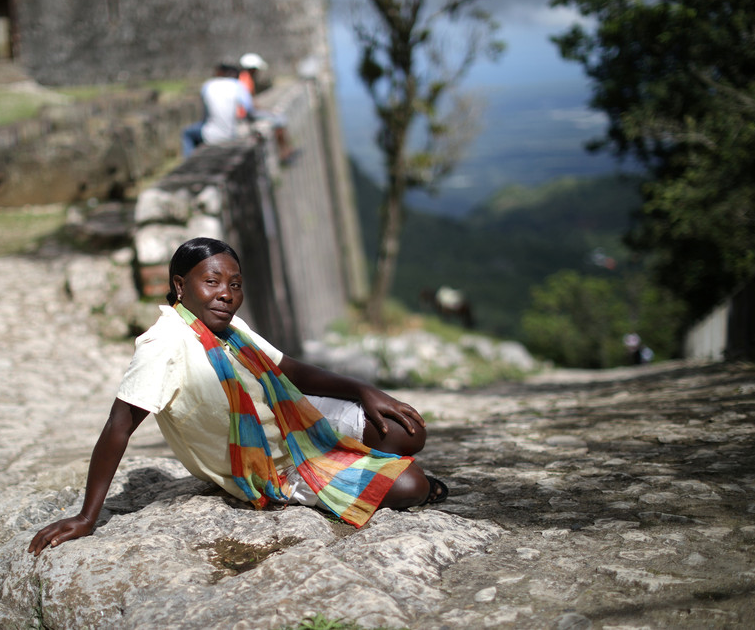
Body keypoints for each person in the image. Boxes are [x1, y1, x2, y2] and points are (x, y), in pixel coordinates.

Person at [29, 237, 447, 556]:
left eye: (234, 284)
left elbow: (288, 370)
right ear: (180, 285)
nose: (226, 294)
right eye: (211, 282)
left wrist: (363, 390)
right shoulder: (164, 344)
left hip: (292, 424)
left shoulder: (229, 328)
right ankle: (345, 468)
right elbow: (119, 427)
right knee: (411, 484)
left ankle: (348, 456)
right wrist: (88, 516)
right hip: (270, 463)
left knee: (406, 430)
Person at [181, 63, 254, 157]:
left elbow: (206, 115)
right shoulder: (238, 85)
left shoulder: (207, 85)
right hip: (232, 133)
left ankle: (189, 161)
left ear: (219, 73)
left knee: (187, 133)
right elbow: (249, 109)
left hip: (211, 134)